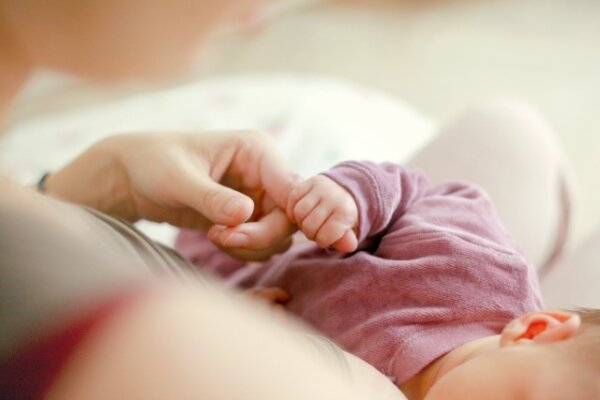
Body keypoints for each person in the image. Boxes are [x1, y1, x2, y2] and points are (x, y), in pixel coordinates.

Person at [0, 1, 573, 400]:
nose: (254, 17)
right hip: (231, 294)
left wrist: (84, 184)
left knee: (514, 138)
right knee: (513, 143)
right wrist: (353, 198)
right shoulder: (475, 278)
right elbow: (421, 197)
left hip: (211, 273)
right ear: (533, 330)